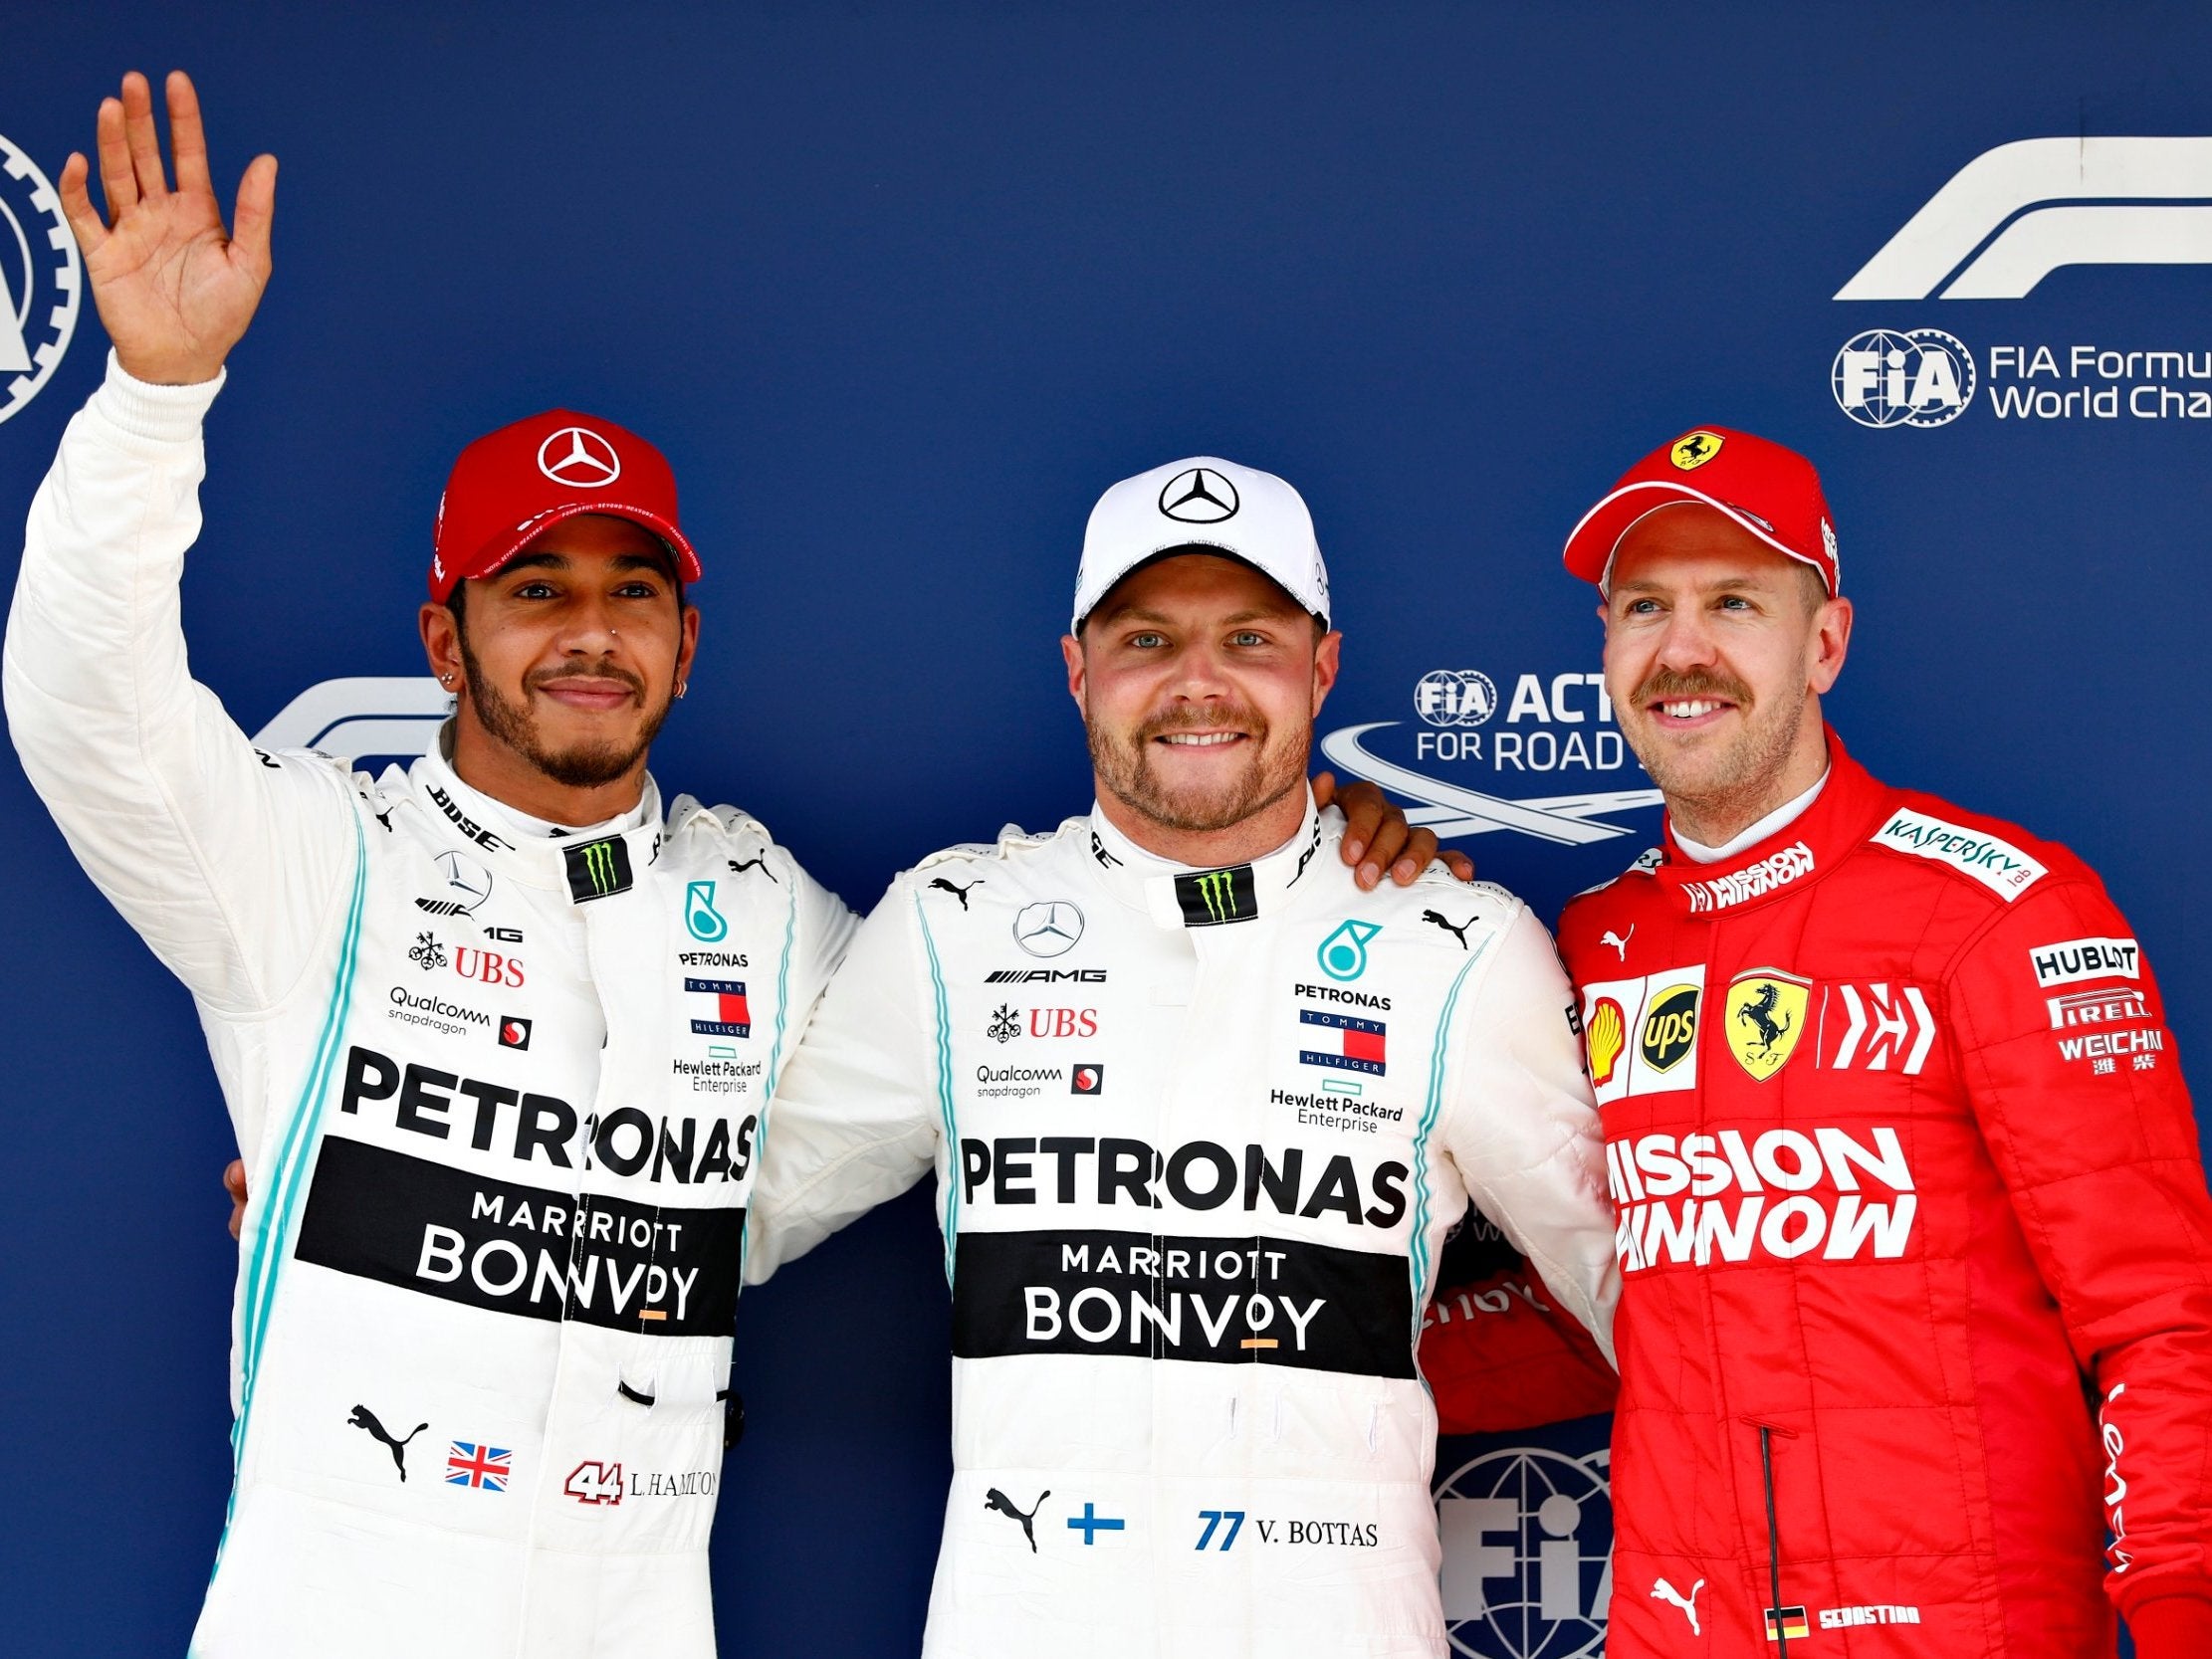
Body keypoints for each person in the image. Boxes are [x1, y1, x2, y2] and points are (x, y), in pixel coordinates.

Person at [8, 72, 1454, 1657]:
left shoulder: (764, 915)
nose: (587, 631)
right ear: (445, 635)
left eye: (631, 592)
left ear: (685, 646)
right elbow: (89, 703)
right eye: (534, 589)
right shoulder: (309, 857)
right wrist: (155, 400)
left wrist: (1320, 856)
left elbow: (1064, 1021)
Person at [742, 452, 1621, 1657]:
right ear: (1078, 671)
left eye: (1248, 639)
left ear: (1321, 665)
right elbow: (709, 1213)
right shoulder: (950, 928)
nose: (1197, 684)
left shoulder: (1460, 945)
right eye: (1147, 640)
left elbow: (1644, 1293)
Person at [1424, 426, 2212, 1658]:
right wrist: (1307, 1377)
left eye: (1733, 601)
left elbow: (2158, 1320)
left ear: (1824, 642)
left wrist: (2177, 1612)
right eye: (1644, 607)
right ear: (1608, 651)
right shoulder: (1595, 941)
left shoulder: (2003, 910)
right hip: (1681, 1628)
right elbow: (1627, 1307)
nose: (1682, 649)